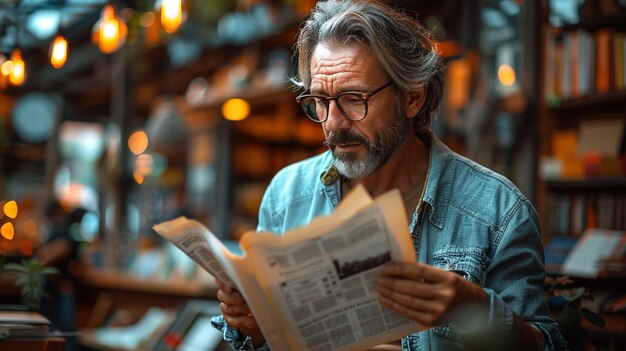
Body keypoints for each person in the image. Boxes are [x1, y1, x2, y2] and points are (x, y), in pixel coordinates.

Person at [211, 1, 568, 350]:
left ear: (412, 97)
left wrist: (476, 310)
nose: (333, 124)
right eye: (320, 100)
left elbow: (546, 344)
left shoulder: (498, 212)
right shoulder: (287, 195)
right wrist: (252, 327)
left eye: (354, 98)